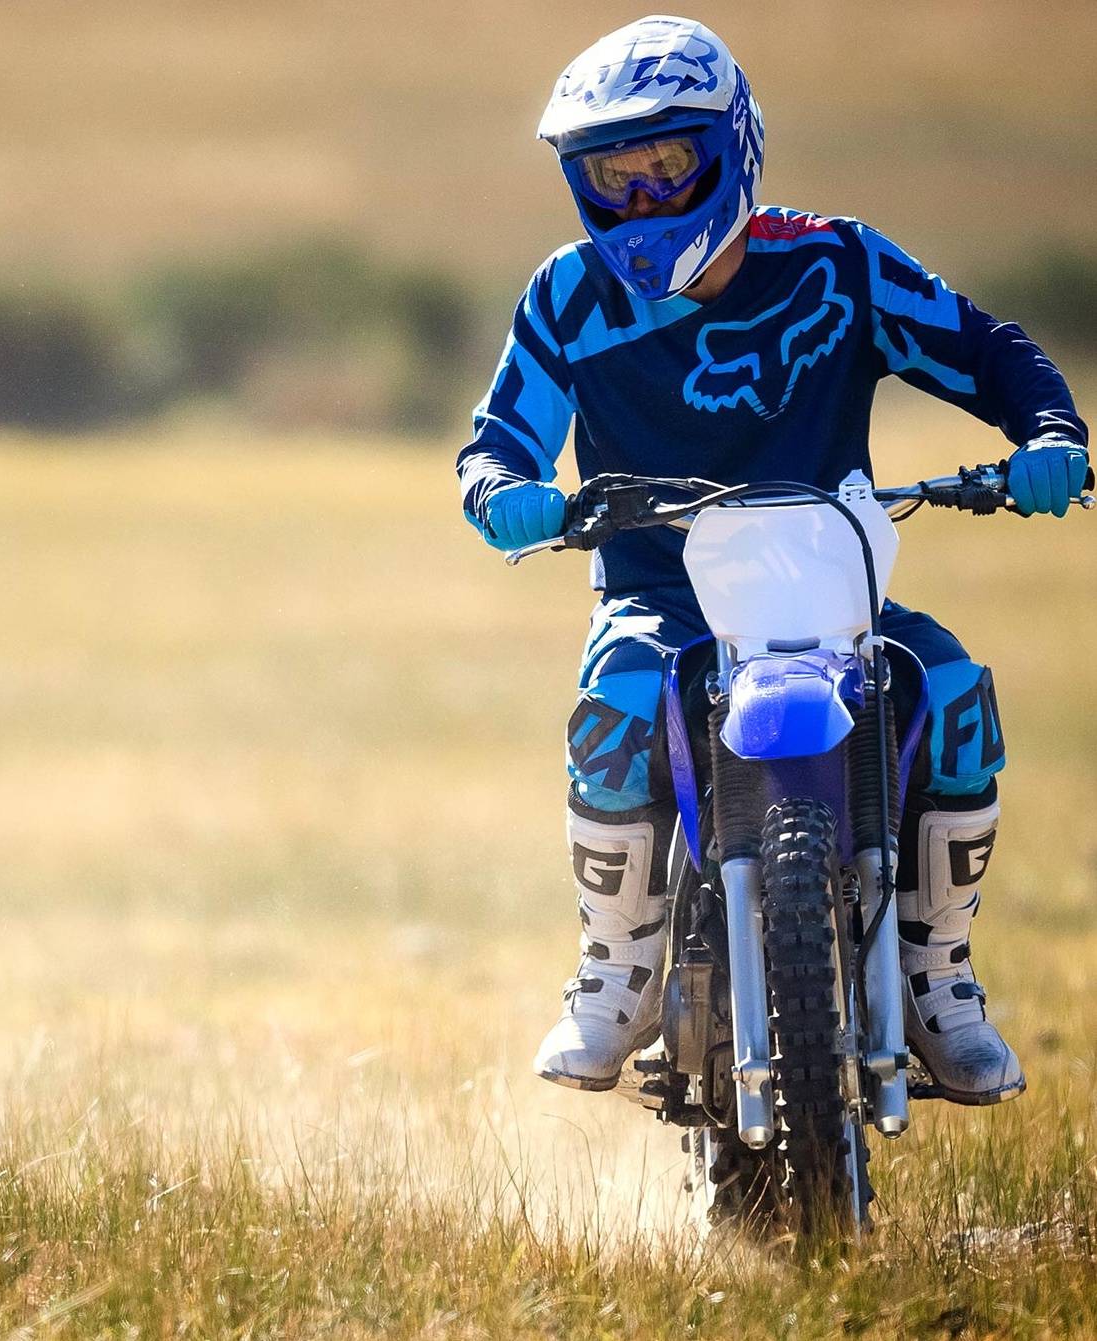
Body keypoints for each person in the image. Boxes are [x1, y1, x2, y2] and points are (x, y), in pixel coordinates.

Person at [458, 16, 1087, 1103]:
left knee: (952, 692)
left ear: (735, 147)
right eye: (615, 177)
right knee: (613, 704)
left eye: (667, 167)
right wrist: (505, 494)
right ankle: (618, 968)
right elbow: (497, 440)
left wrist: (1049, 438)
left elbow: (986, 349)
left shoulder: (840, 264)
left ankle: (939, 974)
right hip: (660, 596)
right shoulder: (567, 295)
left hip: (831, 589)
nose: (644, 202)